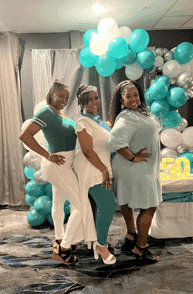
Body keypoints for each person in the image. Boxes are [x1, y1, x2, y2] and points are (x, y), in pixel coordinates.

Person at [20, 80, 84, 265]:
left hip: (64, 164)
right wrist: (48, 155)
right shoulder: (46, 112)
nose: (63, 100)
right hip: (57, 165)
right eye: (60, 96)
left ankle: (59, 240)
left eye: (66, 97)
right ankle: (64, 249)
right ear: (52, 95)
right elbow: (25, 135)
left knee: (58, 202)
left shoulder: (59, 114)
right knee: (79, 205)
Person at [108, 80, 162, 263]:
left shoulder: (142, 112)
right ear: (121, 99)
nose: (133, 99)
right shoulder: (126, 116)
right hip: (134, 168)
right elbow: (114, 142)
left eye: (135, 94)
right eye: (128, 96)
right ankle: (141, 247)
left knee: (127, 201)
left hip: (144, 168)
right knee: (150, 206)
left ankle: (132, 234)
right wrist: (132, 157)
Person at [73, 85, 116, 265]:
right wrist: (104, 170)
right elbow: (87, 151)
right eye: (89, 99)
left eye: (96, 98)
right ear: (82, 102)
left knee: (101, 207)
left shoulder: (97, 120)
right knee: (108, 206)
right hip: (93, 169)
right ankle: (101, 246)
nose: (95, 102)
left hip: (101, 167)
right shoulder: (83, 122)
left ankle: (96, 240)